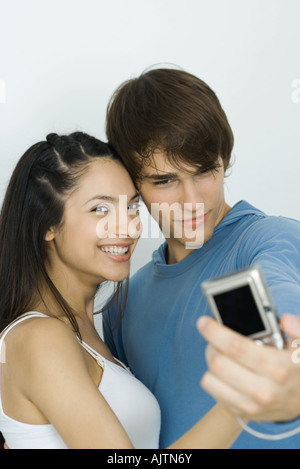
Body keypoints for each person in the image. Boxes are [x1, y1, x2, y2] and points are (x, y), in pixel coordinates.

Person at [0, 131, 246, 449]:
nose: (128, 227)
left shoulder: (83, 333)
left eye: (131, 207)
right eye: (100, 210)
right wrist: (242, 403)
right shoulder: (40, 337)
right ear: (47, 225)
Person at [102, 67, 300, 449]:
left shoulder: (269, 241)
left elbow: (285, 309)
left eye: (205, 171)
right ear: (132, 185)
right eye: (165, 180)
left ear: (223, 161)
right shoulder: (124, 302)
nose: (192, 202)